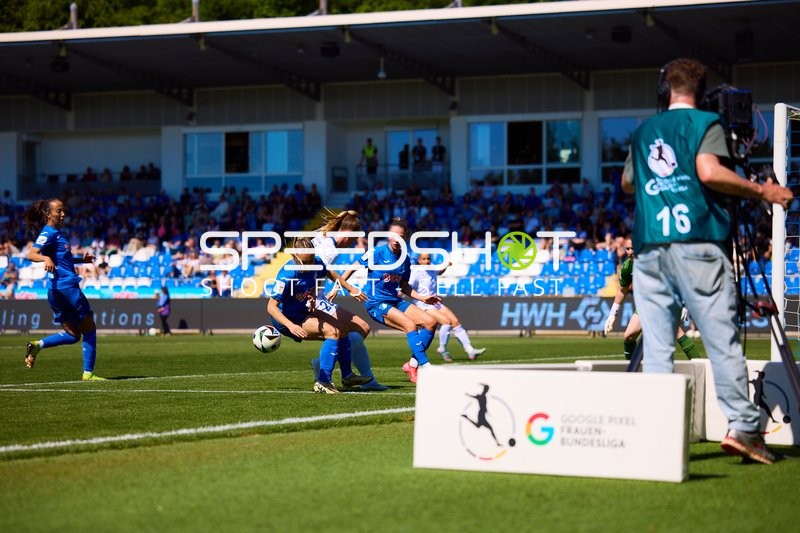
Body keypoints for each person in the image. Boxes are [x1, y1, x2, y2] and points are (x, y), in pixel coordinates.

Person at [622, 58, 793, 464]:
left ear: (666, 91)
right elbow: (709, 171)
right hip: (698, 242)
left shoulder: (644, 130)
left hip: (650, 248)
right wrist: (761, 192)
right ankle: (744, 428)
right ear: (700, 93)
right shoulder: (705, 124)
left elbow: (628, 182)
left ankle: (660, 436)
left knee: (658, 348)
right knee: (721, 341)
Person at [268, 237, 372, 394]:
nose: (310, 265)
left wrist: (349, 288)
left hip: (303, 312)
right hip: (288, 320)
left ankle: (347, 376)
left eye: (311, 259)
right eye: (306, 262)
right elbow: (271, 307)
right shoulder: (287, 274)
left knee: (342, 329)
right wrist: (291, 326)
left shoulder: (316, 262)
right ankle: (323, 381)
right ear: (295, 257)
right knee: (333, 332)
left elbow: (330, 272)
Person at [22, 198, 105, 381]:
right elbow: (31, 254)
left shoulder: (57, 234)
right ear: (48, 214)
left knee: (74, 335)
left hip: (56, 291)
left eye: (63, 210)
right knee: (89, 329)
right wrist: (45, 259)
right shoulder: (49, 232)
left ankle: (37, 345)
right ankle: (88, 373)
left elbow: (62, 261)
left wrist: (81, 261)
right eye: (58, 211)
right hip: (67, 288)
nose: (63, 214)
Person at [311, 209, 388, 391]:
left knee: (357, 330)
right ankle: (322, 364)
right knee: (361, 328)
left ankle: (367, 379)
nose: (352, 244)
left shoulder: (324, 236)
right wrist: (349, 288)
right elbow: (323, 269)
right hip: (312, 298)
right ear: (347, 233)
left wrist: (348, 213)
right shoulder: (329, 249)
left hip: (316, 295)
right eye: (353, 239)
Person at [358, 218, 439, 383]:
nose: (396, 239)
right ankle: (427, 367)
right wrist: (345, 287)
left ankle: (412, 364)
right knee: (411, 325)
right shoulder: (377, 252)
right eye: (393, 235)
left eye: (400, 236)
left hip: (394, 300)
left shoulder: (405, 259)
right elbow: (351, 268)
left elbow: (404, 287)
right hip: (375, 302)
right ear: (388, 236)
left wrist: (423, 297)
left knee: (430, 322)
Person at [603, 237, 701, 361]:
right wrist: (612, 314)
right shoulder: (628, 266)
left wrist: (683, 304)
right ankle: (632, 374)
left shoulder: (655, 260)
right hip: (646, 304)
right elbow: (622, 290)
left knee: (677, 333)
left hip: (665, 300)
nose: (630, 252)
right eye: (627, 249)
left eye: (633, 248)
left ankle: (699, 366)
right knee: (628, 336)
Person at [409, 253, 486, 361]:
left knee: (455, 322)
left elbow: (439, 272)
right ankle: (442, 348)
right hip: (424, 305)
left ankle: (470, 350)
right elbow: (408, 287)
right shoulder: (416, 273)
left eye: (428, 259)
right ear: (419, 260)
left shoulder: (431, 269)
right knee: (446, 322)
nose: (427, 261)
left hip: (435, 302)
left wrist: (446, 266)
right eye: (424, 259)